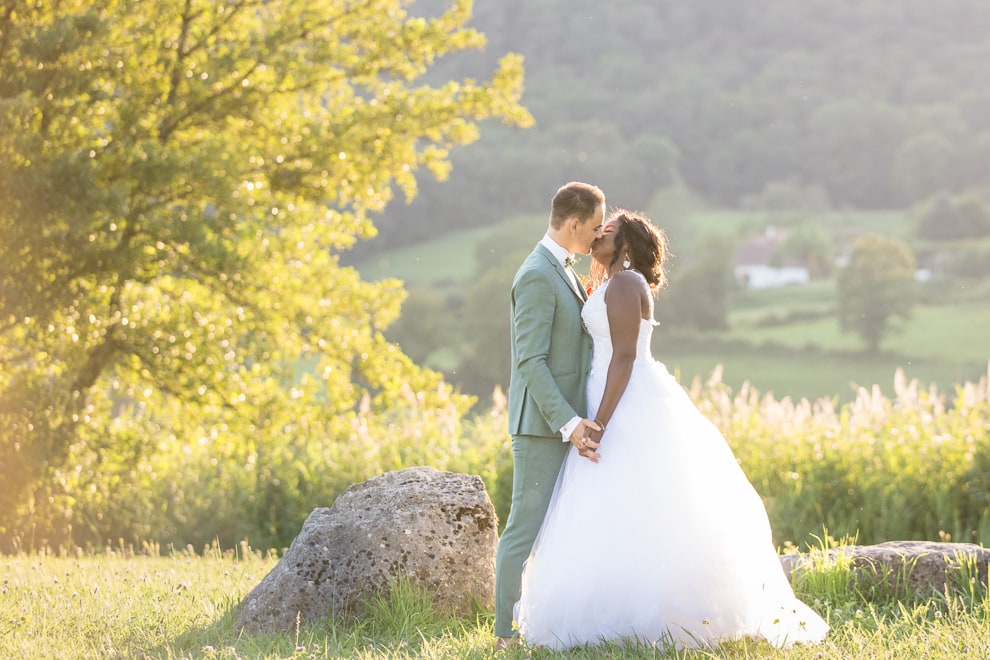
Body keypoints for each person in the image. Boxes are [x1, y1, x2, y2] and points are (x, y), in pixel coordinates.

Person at [513, 210, 829, 651]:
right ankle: (616, 606)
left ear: (624, 243)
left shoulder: (625, 284)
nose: (596, 238)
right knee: (614, 505)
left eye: (606, 232)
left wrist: (600, 423)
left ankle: (662, 613)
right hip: (606, 394)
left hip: (624, 402)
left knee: (644, 501)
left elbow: (623, 357)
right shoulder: (612, 283)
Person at [494, 181, 607, 650]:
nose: (598, 237)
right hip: (542, 426)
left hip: (563, 424)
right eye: (596, 228)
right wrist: (568, 422)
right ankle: (504, 635)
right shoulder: (538, 274)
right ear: (574, 223)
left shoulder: (561, 269)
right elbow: (530, 362)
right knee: (524, 528)